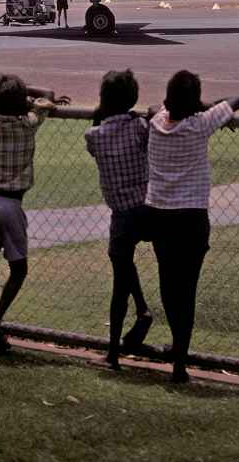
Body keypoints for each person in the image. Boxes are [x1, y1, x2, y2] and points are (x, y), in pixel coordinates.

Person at [146, 70, 239, 383]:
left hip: (159, 214)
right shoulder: (200, 124)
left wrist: (193, 106)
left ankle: (176, 346)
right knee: (187, 289)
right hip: (190, 217)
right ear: (194, 103)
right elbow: (237, 100)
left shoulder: (156, 122)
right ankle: (180, 362)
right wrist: (207, 107)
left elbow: (157, 108)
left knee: (168, 284)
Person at [0, 74, 69, 355]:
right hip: (11, 204)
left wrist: (5, 94)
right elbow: (48, 92)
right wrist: (29, 93)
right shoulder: (29, 123)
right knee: (18, 269)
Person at [85, 69, 153, 370]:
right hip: (149, 208)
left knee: (120, 277)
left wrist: (100, 114)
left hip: (122, 214)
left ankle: (113, 353)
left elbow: (95, 133)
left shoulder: (94, 136)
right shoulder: (141, 127)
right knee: (131, 268)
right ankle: (143, 311)